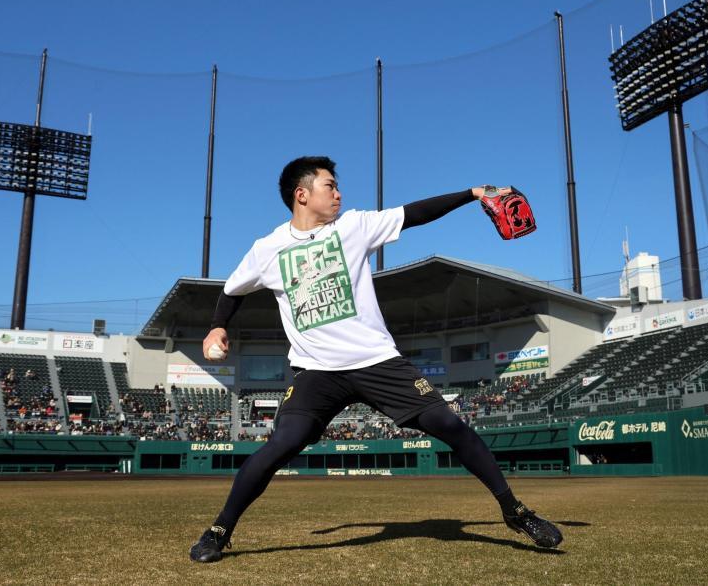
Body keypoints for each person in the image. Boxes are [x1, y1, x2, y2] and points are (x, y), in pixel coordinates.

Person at [189, 156, 562, 563]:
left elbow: (415, 213)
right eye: (330, 186)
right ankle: (219, 531)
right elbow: (233, 290)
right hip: (317, 371)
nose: (339, 193)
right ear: (302, 194)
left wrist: (473, 194)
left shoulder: (354, 226)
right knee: (283, 444)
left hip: (377, 361)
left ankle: (514, 510)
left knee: (449, 424)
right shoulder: (267, 249)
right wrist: (217, 326)